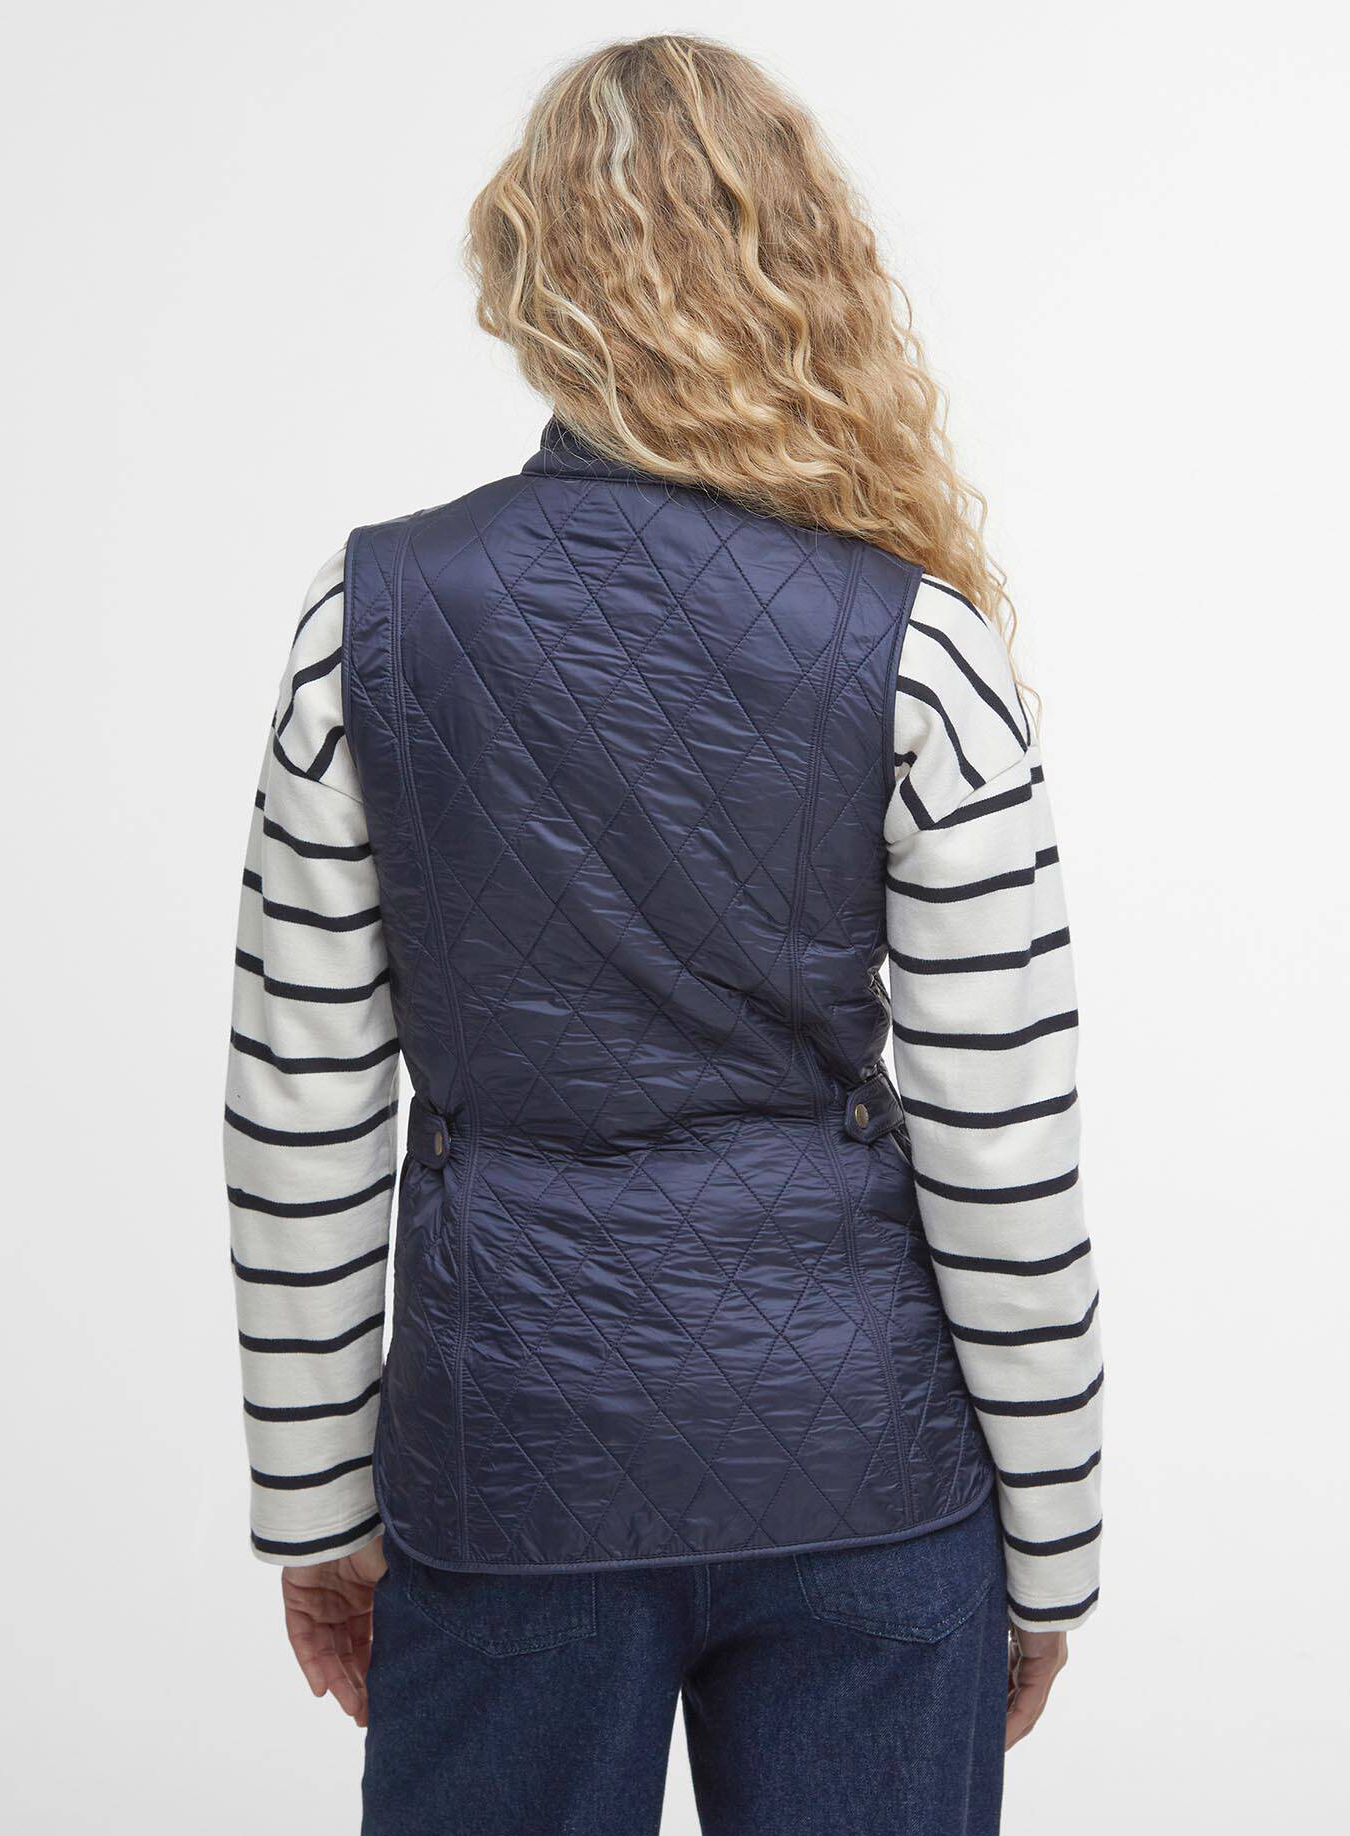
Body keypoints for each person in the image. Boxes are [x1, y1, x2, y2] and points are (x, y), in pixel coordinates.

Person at [223, 33, 1102, 1836]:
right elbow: (1003, 1137)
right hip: (864, 1479)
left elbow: (298, 1107)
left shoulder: (368, 623)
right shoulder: (926, 650)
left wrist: (317, 1511)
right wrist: (1053, 1546)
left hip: (511, 1468)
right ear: (810, 262)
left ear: (528, 272)